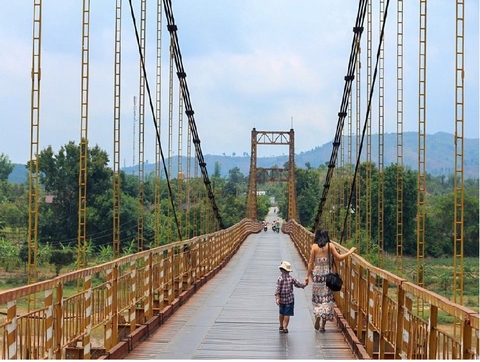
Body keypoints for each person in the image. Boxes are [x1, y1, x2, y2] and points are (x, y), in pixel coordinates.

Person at [304, 229, 356, 332]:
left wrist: (307, 276)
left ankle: (318, 314)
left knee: (318, 298)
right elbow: (339, 258)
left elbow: (310, 263)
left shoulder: (314, 247)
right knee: (327, 299)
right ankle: (323, 326)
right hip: (327, 275)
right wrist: (350, 252)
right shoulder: (330, 246)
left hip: (317, 275)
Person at [275, 261, 307, 333]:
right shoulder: (291, 278)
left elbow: (277, 289)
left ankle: (280, 325)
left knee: (281, 313)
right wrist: (304, 284)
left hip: (281, 299)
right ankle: (285, 327)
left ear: (281, 270)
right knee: (287, 314)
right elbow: (298, 284)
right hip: (289, 299)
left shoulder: (279, 279)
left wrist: (277, 298)